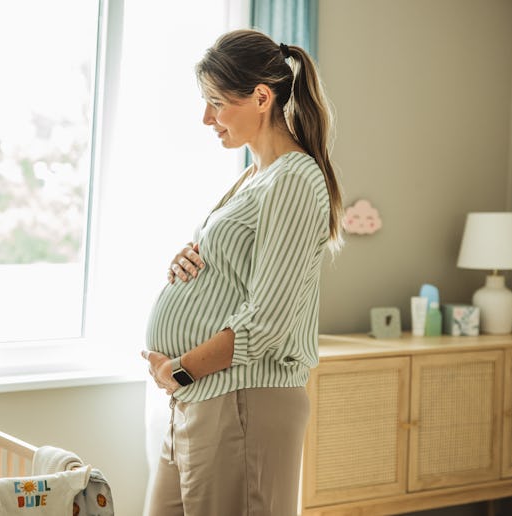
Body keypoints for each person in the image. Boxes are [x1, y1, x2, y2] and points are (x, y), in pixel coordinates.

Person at [141, 28, 344, 516]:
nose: (206, 118)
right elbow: (232, 277)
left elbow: (268, 322)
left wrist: (182, 369)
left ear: (260, 97)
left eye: (216, 102)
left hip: (241, 397)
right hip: (202, 396)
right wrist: (186, 264)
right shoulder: (256, 176)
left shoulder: (295, 179)